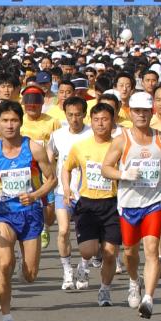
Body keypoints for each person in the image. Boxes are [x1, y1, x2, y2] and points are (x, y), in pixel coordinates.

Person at [0, 100, 56, 321]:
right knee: (4, 264)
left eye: (14, 120)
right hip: (5, 214)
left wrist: (35, 195)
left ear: (21, 122)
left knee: (30, 274)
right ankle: (6, 319)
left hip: (31, 214)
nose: (9, 125)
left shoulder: (34, 149)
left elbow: (52, 179)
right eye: (5, 120)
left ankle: (15, 273)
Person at [101, 92, 161, 319]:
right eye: (137, 111)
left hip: (154, 201)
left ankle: (149, 298)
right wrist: (123, 174)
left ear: (151, 112)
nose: (141, 115)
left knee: (152, 249)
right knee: (130, 253)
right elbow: (106, 168)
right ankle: (134, 281)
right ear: (130, 113)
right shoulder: (122, 139)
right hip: (128, 204)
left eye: (145, 110)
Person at [63, 101, 123, 306]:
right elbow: (66, 168)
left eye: (105, 119)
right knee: (88, 250)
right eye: (96, 120)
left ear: (113, 121)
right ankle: (84, 263)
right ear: (91, 121)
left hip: (112, 204)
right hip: (87, 204)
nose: (100, 124)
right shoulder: (80, 147)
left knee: (110, 253)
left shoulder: (120, 145)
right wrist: (66, 188)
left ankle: (105, 290)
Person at [47, 96, 92, 291]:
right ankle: (67, 270)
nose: (74, 119)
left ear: (84, 115)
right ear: (65, 114)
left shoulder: (92, 135)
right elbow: (50, 159)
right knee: (64, 230)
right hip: (62, 192)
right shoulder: (57, 135)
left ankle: (83, 266)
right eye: (70, 115)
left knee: (87, 237)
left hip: (87, 193)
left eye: (78, 115)